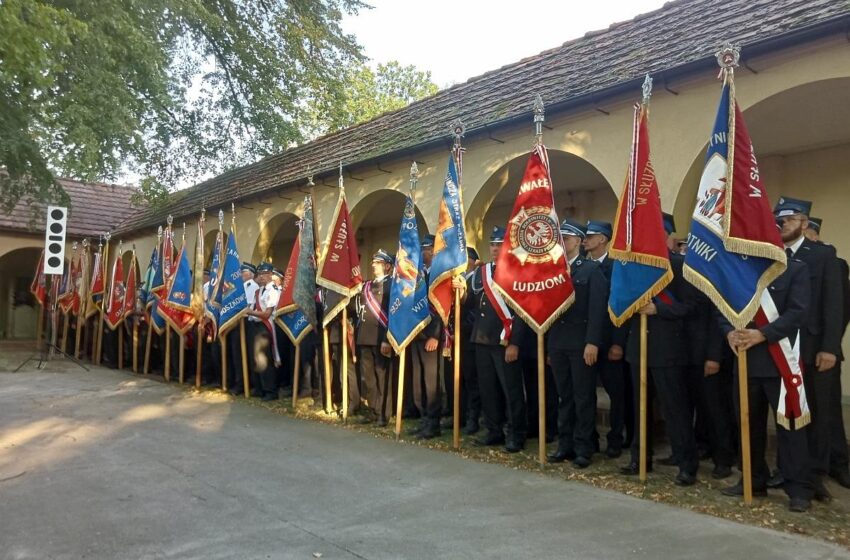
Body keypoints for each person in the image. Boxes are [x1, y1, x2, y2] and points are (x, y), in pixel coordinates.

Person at [719, 255, 814, 512]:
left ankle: (798, 488)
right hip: (745, 362)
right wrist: (728, 330)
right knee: (748, 425)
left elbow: (798, 312)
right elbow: (724, 305)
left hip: (779, 362)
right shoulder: (741, 269)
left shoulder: (794, 269)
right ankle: (753, 479)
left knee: (791, 427)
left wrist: (762, 334)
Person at [620, 212, 699, 487]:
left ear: (668, 236)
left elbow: (691, 306)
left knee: (675, 409)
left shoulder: (678, 265)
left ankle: (686, 463)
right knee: (639, 408)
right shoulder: (634, 269)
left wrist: (659, 308)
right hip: (637, 348)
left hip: (668, 349)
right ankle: (640, 458)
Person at [774, 198, 846, 497]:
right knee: (786, 410)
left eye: (788, 220)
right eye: (778, 221)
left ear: (804, 223)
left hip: (815, 347)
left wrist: (830, 347)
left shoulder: (822, 255)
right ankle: (787, 469)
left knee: (817, 413)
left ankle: (814, 477)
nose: (782, 226)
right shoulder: (772, 255)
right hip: (781, 346)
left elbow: (834, 304)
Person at [455, 227, 528, 453]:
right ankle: (494, 430)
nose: (496, 249)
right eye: (493, 245)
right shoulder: (482, 272)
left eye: (500, 244)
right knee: (487, 389)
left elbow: (522, 312)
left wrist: (514, 342)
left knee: (511, 389)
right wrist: (461, 292)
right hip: (482, 338)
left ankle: (516, 433)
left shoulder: (518, 271)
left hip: (504, 341)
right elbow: (471, 304)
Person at [547, 219, 608, 468]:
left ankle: (584, 446)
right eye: (560, 239)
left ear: (579, 242)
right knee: (565, 396)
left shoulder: (591, 270)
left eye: (568, 239)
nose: (564, 243)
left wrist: (592, 342)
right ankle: (566, 444)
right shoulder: (553, 271)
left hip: (581, 343)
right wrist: (549, 345)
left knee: (583, 397)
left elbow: (597, 311)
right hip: (558, 343)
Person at [584, 218, 631, 457]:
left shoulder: (616, 267)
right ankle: (590, 439)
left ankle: (615, 439)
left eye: (590, 237)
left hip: (610, 341)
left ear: (602, 239)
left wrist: (617, 343)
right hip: (587, 343)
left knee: (616, 394)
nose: (586, 240)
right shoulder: (582, 266)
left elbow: (621, 307)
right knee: (586, 393)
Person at [408, 234, 443, 439]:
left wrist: (435, 335)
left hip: (431, 336)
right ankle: (423, 418)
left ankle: (433, 422)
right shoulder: (416, 276)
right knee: (417, 381)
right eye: (422, 249)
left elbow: (441, 309)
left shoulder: (438, 276)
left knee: (431, 383)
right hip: (416, 334)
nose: (424, 252)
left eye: (428, 248)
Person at [354, 250, 394, 426]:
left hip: (381, 337)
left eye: (377, 262)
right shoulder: (366, 285)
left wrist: (387, 338)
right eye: (373, 261)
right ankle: (372, 409)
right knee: (368, 377)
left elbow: (393, 313)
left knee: (382, 376)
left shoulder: (393, 285)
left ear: (387, 266)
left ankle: (384, 413)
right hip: (364, 336)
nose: (373, 264)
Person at [246, 262, 282, 400]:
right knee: (256, 358)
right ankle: (260, 388)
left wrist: (250, 312)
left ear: (271, 275)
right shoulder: (259, 291)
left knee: (264, 360)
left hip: (265, 327)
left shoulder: (272, 290)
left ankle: (270, 391)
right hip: (255, 326)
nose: (262, 277)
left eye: (265, 274)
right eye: (260, 274)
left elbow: (267, 314)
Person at [228, 262, 258, 395]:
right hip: (236, 322)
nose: (240, 275)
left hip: (245, 322)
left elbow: (246, 308)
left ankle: (244, 384)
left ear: (250, 274)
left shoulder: (252, 286)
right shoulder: (240, 287)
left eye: (243, 272)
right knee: (236, 354)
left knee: (243, 354)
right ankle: (238, 381)